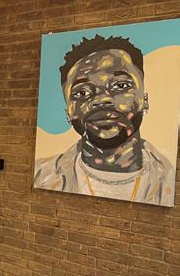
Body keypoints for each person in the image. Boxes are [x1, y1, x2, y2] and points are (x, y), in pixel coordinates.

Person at [34, 35, 175, 206]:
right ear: (68, 112)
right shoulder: (41, 176)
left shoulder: (169, 179)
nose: (101, 100)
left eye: (120, 85)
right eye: (83, 93)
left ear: (144, 101)